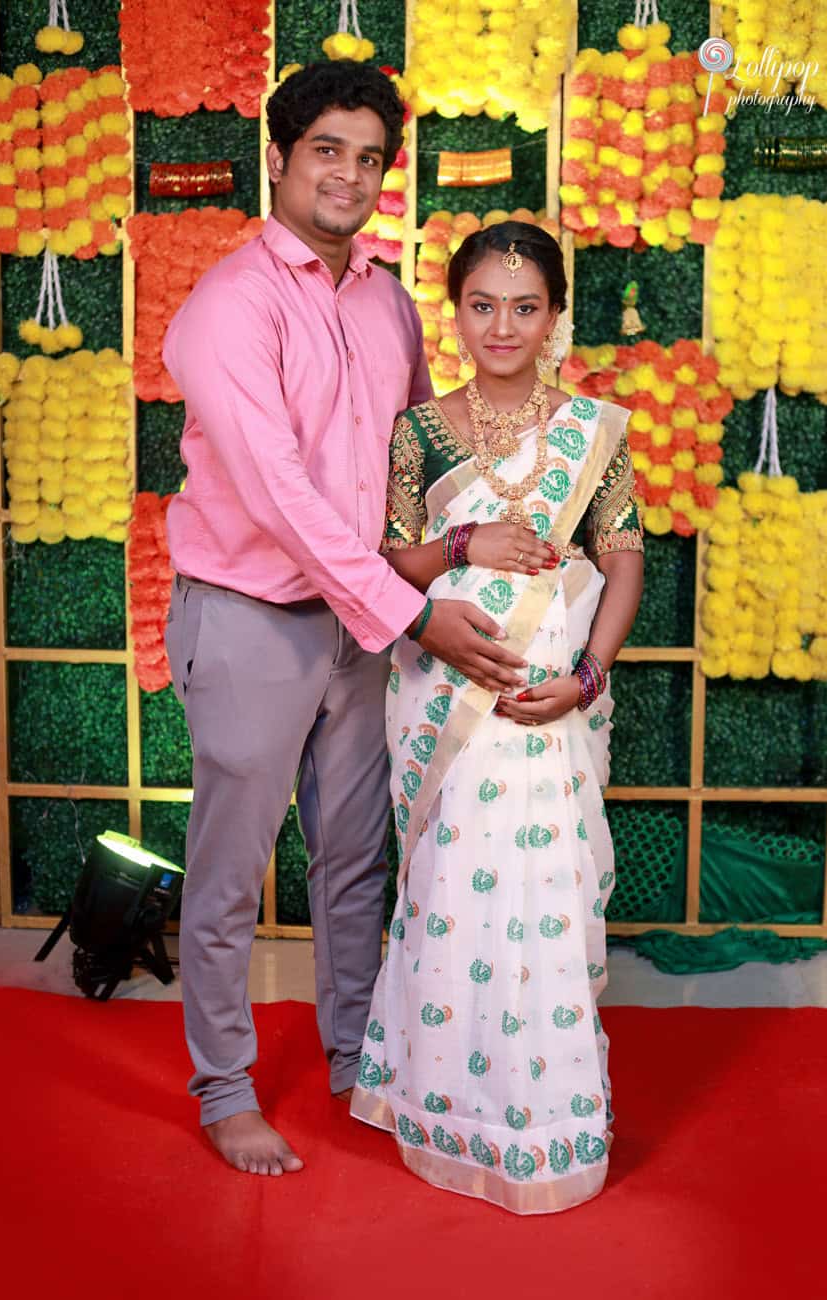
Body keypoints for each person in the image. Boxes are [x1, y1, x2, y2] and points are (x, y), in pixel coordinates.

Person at [162, 63, 528, 1178]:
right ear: (278, 157)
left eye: (370, 157)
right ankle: (224, 1089)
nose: (350, 175)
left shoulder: (385, 299)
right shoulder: (229, 303)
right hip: (249, 615)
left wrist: (513, 509)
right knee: (229, 873)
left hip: (359, 620)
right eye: (328, 149)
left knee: (356, 856)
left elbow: (411, 461)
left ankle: (354, 1052)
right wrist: (413, 611)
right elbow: (279, 495)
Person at [350, 221, 645, 1214]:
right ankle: (444, 1109)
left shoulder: (597, 430)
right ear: (456, 311)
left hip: (553, 703)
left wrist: (588, 677)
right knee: (448, 888)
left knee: (549, 895)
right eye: (483, 305)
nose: (503, 325)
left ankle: (548, 1121)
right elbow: (390, 564)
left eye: (526, 307)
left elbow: (626, 558)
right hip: (447, 702)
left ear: (557, 317)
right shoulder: (419, 431)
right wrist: (466, 538)